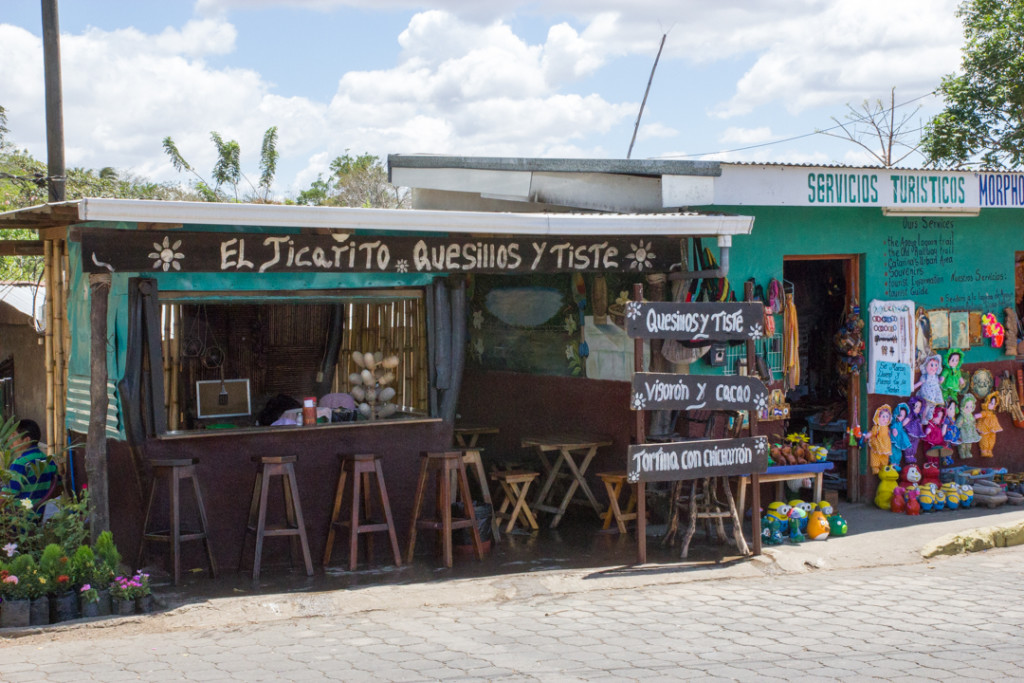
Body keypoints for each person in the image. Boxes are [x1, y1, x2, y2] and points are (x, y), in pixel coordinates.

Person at [4, 419, 57, 508]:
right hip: (37, 515)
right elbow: (57, 490)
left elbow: (6, 495)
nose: (9, 440)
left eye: (13, 436)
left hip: (17, 516)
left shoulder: (21, 463)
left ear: (26, 440)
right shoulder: (49, 461)